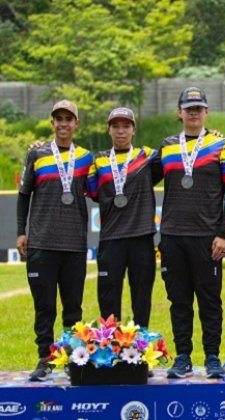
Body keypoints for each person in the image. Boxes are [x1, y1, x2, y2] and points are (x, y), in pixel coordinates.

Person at [160, 87, 225, 379]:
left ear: (206, 112)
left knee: (209, 300)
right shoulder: (167, 146)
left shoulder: (222, 145)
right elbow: (137, 174)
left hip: (208, 239)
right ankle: (182, 357)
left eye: (199, 108)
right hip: (172, 236)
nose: (193, 113)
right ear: (179, 112)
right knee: (179, 301)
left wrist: (223, 233)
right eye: (188, 108)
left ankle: (212, 357)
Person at [17, 100, 93, 381]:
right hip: (41, 244)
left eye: (68, 119)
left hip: (73, 245)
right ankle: (45, 358)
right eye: (58, 119)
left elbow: (100, 189)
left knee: (73, 308)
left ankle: (75, 359)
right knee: (44, 307)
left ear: (76, 124)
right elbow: (24, 195)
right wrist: (21, 232)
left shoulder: (86, 158)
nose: (63, 123)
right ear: (52, 123)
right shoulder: (36, 154)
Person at [86, 107, 161, 328]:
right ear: (108, 130)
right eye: (116, 126)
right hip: (111, 240)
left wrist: (207, 134)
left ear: (134, 130)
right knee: (108, 300)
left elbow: (181, 149)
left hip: (142, 238)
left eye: (126, 126)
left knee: (142, 299)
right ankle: (109, 349)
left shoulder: (147, 156)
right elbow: (92, 192)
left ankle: (142, 350)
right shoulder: (97, 161)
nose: (121, 131)